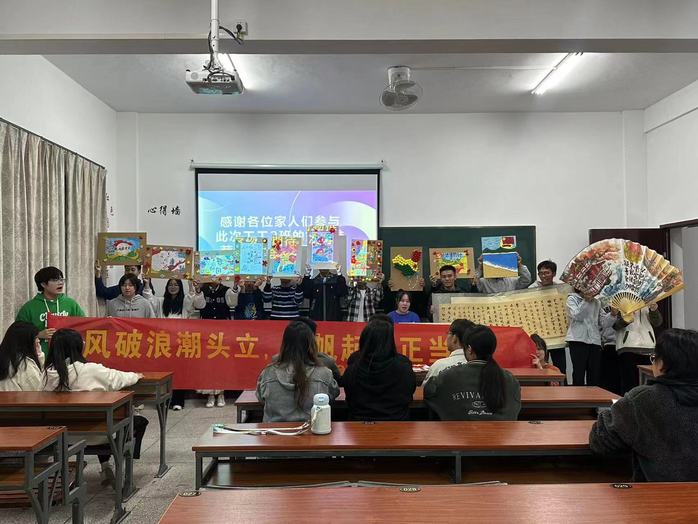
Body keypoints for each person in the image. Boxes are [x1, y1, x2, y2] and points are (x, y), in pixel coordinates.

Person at [42, 329, 149, 486]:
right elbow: (119, 378)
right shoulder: (91, 370)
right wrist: (135, 376)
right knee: (137, 421)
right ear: (78, 347)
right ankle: (121, 463)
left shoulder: (46, 375)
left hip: (61, 438)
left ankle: (105, 466)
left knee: (99, 420)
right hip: (99, 435)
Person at [589, 328, 698, 481]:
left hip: (656, 493)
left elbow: (600, 442)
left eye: (654, 358)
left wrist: (612, 412)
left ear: (662, 364)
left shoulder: (642, 399)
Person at [424, 324, 521, 420]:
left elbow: (429, 393)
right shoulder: (510, 379)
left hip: (459, 430)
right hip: (502, 430)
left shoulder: (448, 375)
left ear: (469, 349)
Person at [256, 321, 339, 422]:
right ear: (312, 344)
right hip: (313, 429)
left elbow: (261, 398)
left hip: (275, 430)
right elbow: (332, 395)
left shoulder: (268, 373)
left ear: (284, 344)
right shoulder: (324, 374)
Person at [342, 319, 416, 420]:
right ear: (390, 341)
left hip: (359, 424)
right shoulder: (404, 368)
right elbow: (408, 396)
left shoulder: (352, 370)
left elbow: (349, 399)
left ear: (364, 340)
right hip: (397, 423)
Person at [143, 278, 195, 410]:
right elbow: (149, 299)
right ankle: (164, 400)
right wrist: (147, 284)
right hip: (164, 343)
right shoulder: (161, 301)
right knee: (164, 373)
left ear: (180, 287)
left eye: (176, 285)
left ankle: (178, 401)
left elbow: (191, 300)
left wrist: (191, 286)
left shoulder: (184, 302)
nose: (173, 287)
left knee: (180, 372)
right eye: (170, 285)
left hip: (180, 343)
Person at [16, 266, 85, 355]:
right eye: (55, 280)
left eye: (61, 279)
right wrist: (38, 335)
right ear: (43, 284)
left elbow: (83, 325)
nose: (60, 283)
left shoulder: (71, 304)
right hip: (41, 356)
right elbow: (17, 333)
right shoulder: (29, 307)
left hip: (66, 355)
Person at [192, 279, 239, 407]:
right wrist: (198, 289)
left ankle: (221, 393)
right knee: (208, 364)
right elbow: (199, 305)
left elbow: (232, 302)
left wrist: (235, 287)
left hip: (223, 331)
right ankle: (210, 394)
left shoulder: (226, 290)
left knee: (222, 363)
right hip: (206, 331)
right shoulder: (203, 290)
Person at [613, 304, 663, 394]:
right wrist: (627, 319)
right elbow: (615, 325)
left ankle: (645, 402)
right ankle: (628, 402)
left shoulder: (647, 301)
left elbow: (657, 323)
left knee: (647, 384)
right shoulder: (621, 302)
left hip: (648, 347)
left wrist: (654, 309)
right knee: (629, 384)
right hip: (628, 346)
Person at [565, 289, 602, 386]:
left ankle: (594, 395)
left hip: (594, 341)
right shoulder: (572, 299)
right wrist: (586, 301)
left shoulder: (597, 301)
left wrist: (612, 315)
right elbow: (578, 316)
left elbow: (602, 322)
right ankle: (578, 395)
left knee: (594, 374)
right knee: (579, 373)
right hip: (578, 340)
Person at [423, 319, 475, 385]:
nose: (447, 337)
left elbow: (425, 389)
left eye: (448, 333)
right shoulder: (480, 366)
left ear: (454, 338)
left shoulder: (439, 366)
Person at [0, 321, 43, 391]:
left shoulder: (5, 358)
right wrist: (39, 355)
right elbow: (39, 391)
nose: (38, 341)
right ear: (25, 342)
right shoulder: (25, 365)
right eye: (35, 338)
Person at [599, 307, 621, 395]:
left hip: (627, 345)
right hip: (609, 344)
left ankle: (622, 402)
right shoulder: (601, 303)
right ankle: (610, 402)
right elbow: (602, 324)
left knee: (623, 379)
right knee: (609, 380)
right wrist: (612, 315)